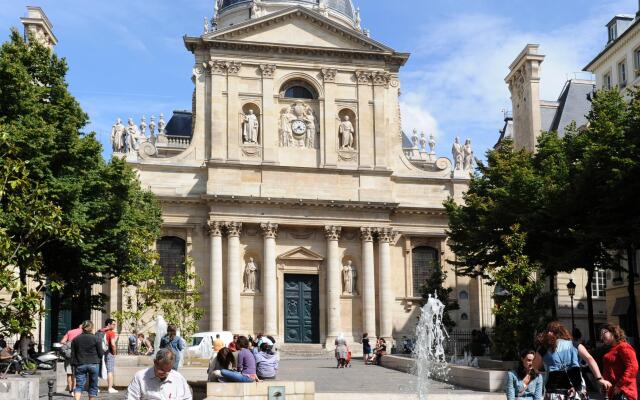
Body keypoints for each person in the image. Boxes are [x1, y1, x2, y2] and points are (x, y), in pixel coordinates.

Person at [533, 321, 611, 399]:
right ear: (563, 332)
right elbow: (590, 359)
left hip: (554, 392)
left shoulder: (543, 350)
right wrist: (599, 379)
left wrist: (546, 371)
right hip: (576, 391)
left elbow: (534, 368)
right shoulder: (574, 345)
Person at [125, 348, 192, 400]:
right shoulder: (140, 377)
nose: (165, 373)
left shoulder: (178, 378)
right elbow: (130, 398)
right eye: (162, 370)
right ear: (155, 362)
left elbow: (187, 397)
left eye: (168, 370)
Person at [601, 324, 638, 400]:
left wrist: (620, 385)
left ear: (613, 332)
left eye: (604, 332)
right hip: (614, 392)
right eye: (601, 334)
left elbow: (633, 367)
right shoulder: (613, 349)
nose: (602, 336)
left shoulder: (624, 346)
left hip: (624, 392)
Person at [71, 320, 104, 400]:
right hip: (94, 363)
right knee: (93, 386)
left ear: (82, 328)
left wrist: (74, 365)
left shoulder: (76, 339)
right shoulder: (96, 338)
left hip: (80, 364)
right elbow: (101, 353)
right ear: (92, 328)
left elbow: (73, 354)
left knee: (79, 386)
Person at [60, 323, 83, 393]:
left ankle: (70, 390)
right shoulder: (83, 332)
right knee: (76, 374)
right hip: (78, 356)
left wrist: (68, 345)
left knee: (69, 373)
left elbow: (62, 342)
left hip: (69, 357)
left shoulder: (70, 332)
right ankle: (75, 388)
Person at [100, 318, 119, 394]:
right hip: (109, 352)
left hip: (100, 352)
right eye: (113, 324)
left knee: (98, 369)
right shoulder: (111, 333)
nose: (115, 326)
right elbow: (113, 344)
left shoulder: (100, 331)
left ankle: (96, 387)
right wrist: (114, 353)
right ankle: (110, 388)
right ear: (108, 324)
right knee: (110, 370)